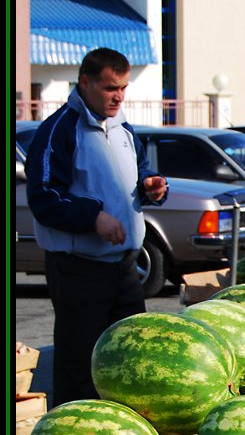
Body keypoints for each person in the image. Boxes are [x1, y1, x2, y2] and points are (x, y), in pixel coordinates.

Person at [25, 47, 170, 407]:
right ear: (85, 83)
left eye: (122, 87)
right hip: (78, 269)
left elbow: (140, 170)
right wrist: (93, 217)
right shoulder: (58, 130)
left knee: (130, 356)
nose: (118, 96)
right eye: (109, 88)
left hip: (124, 266)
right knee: (81, 363)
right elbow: (43, 198)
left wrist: (152, 186)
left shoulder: (124, 129)